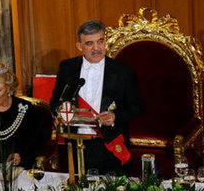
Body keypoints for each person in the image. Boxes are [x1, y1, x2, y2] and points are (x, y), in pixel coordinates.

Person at [50, 19, 143, 174]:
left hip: (108, 143)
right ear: (79, 46)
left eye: (100, 41)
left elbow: (137, 107)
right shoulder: (67, 67)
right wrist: (63, 113)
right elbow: (55, 102)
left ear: (105, 41)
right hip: (75, 143)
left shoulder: (123, 71)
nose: (96, 48)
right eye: (89, 43)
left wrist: (115, 116)